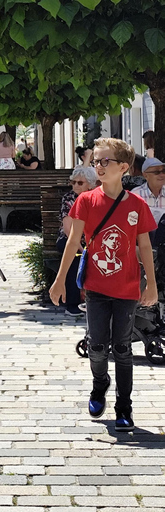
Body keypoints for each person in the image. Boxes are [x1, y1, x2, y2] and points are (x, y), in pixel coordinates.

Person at [50, 138, 157, 433]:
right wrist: (60, 281)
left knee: (122, 348)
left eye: (104, 161)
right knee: (97, 346)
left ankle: (124, 407)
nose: (98, 166)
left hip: (127, 287)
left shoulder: (137, 204)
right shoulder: (86, 201)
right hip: (96, 286)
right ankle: (100, 385)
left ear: (123, 167)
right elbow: (73, 242)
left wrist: (152, 286)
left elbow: (144, 246)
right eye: (95, 161)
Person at [56, 166, 98, 316]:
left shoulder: (97, 198)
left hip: (92, 241)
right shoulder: (69, 199)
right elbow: (68, 230)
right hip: (71, 240)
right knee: (75, 256)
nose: (75, 186)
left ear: (91, 184)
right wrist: (83, 250)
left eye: (80, 183)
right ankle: (72, 304)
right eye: (73, 182)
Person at [131, 157, 165, 225]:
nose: (162, 175)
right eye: (156, 172)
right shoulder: (135, 195)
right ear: (145, 175)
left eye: (164, 171)